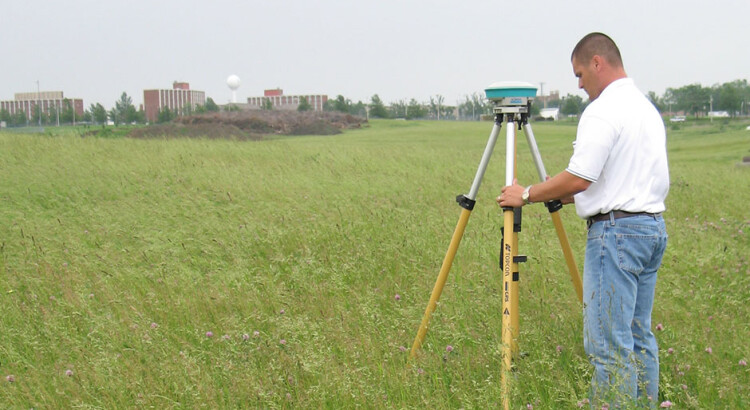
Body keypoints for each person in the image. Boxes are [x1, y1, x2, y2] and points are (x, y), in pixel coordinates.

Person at [496, 32, 669, 407]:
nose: (578, 84)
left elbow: (580, 177)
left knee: (608, 348)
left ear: (597, 62)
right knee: (639, 338)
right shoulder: (645, 108)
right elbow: (606, 179)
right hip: (651, 230)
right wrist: (553, 191)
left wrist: (525, 195)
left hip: (617, 234)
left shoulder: (604, 109)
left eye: (579, 74)